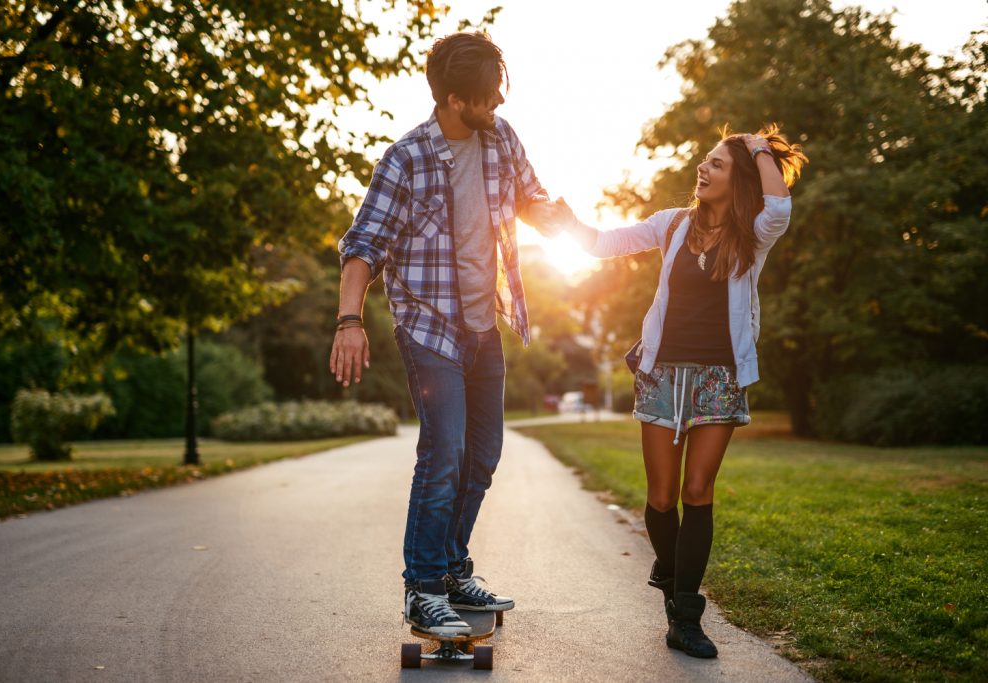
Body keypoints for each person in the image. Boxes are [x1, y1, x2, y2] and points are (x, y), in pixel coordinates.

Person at [331, 32, 565, 637]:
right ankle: (423, 587)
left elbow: (531, 200)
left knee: (483, 455)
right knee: (444, 455)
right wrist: (349, 321)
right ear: (454, 99)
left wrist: (580, 229)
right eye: (487, 97)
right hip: (428, 328)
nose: (497, 106)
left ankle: (453, 567)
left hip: (484, 327)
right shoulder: (404, 159)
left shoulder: (500, 140)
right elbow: (364, 247)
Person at [555, 126, 807, 657]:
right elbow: (605, 243)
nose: (703, 168)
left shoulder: (751, 235)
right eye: (705, 159)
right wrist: (567, 225)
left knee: (697, 492)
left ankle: (685, 616)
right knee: (662, 496)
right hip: (662, 374)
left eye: (716, 164)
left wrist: (757, 147)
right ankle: (671, 575)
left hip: (719, 378)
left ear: (735, 179)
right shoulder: (671, 226)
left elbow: (779, 209)